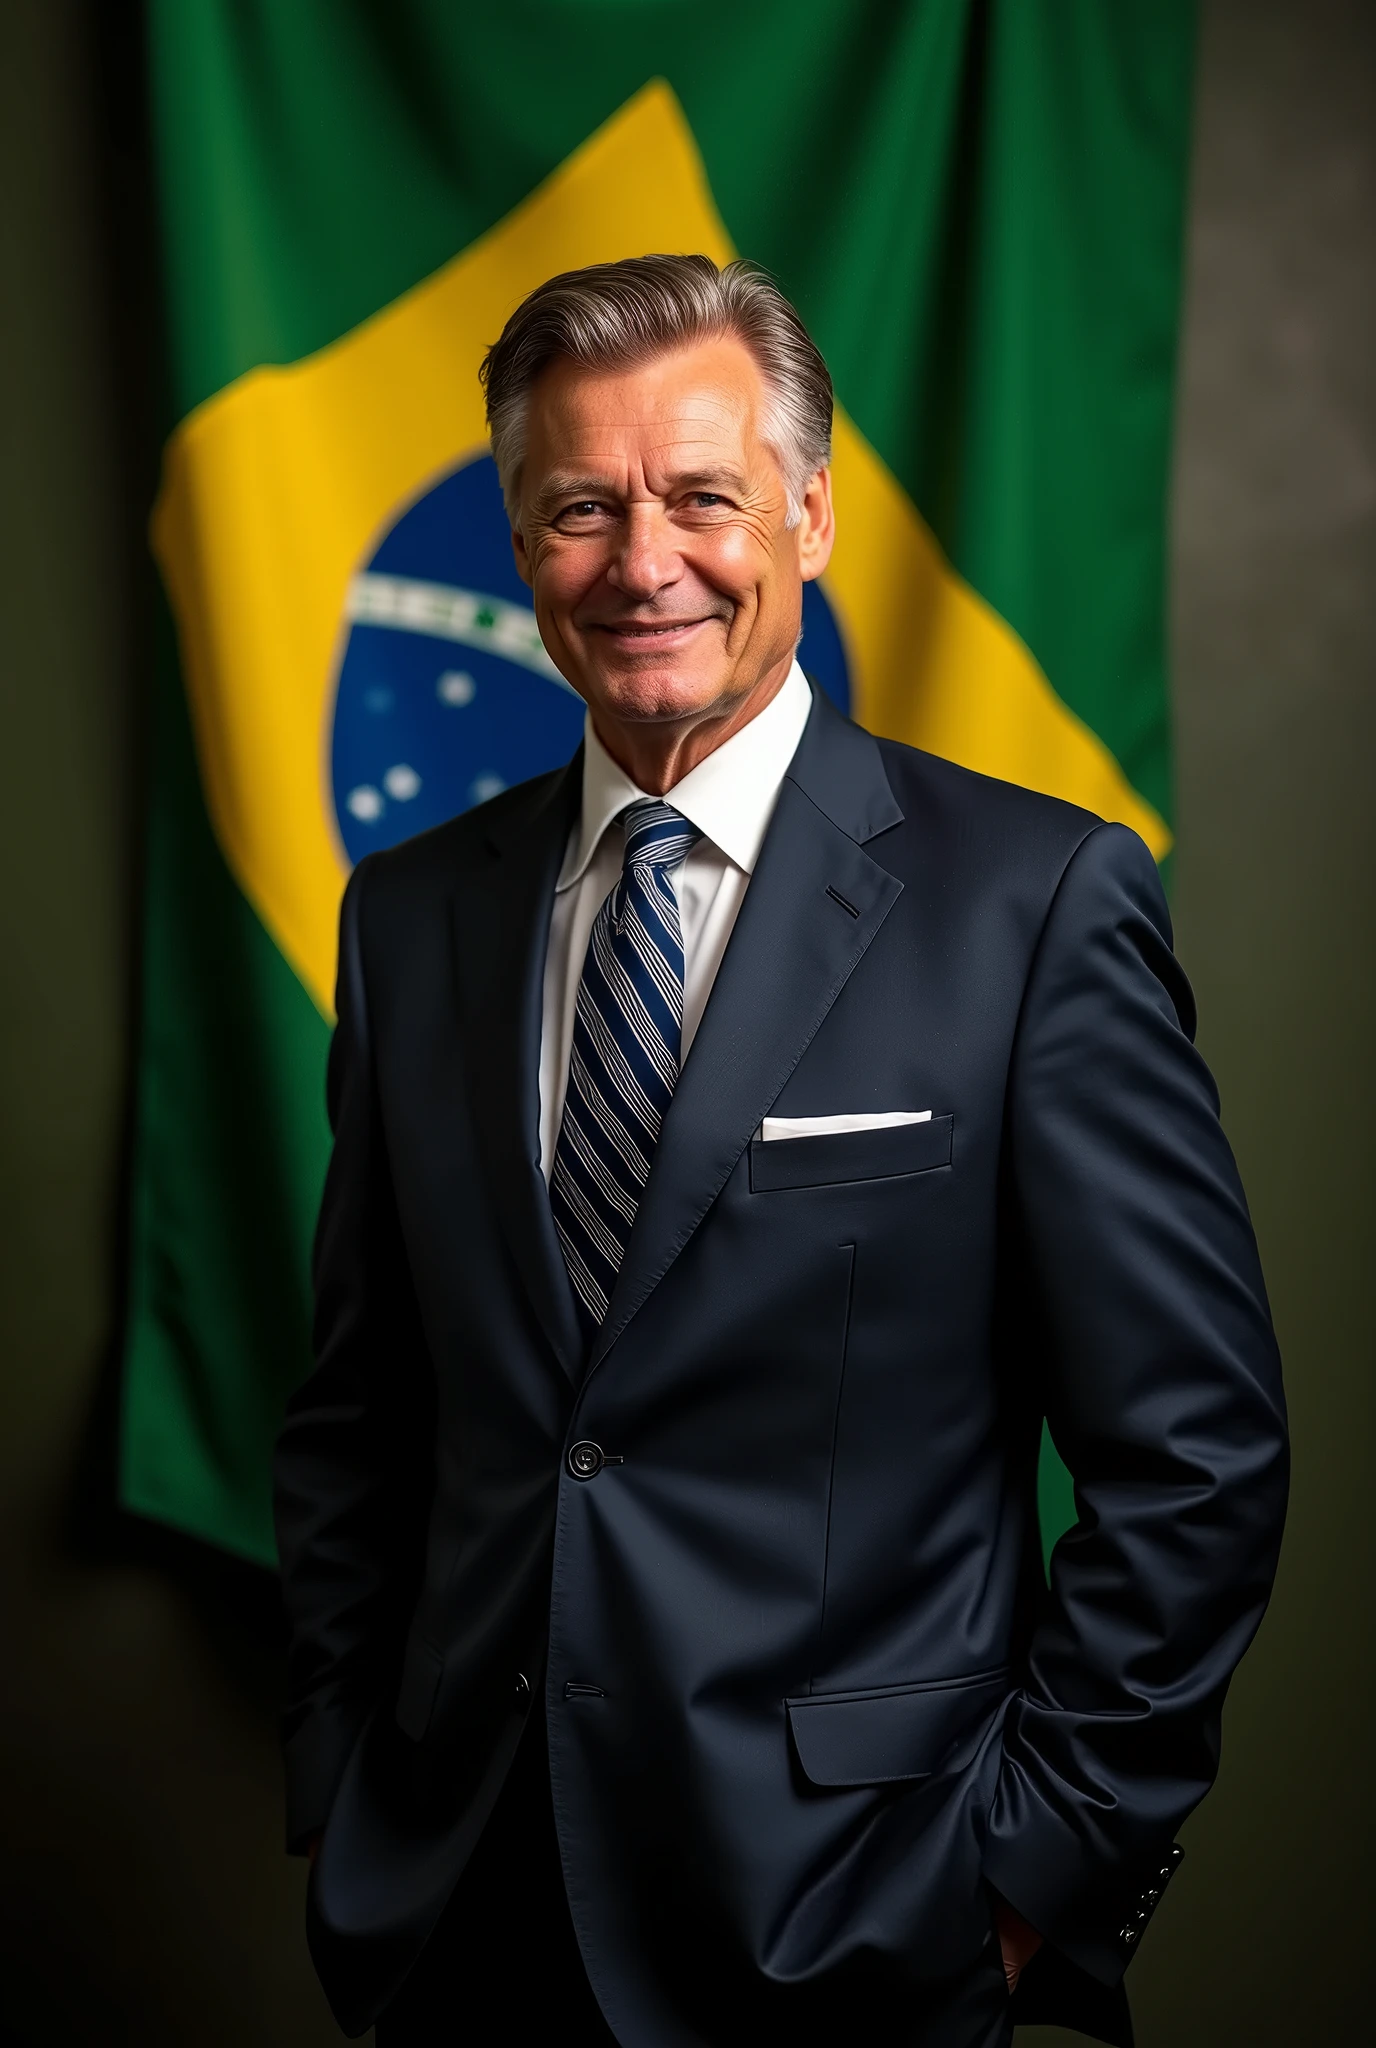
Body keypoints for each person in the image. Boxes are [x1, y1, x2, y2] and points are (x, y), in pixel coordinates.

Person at [274, 255, 1287, 2048]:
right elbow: (363, 1421)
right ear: (521, 544)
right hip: (462, 1919)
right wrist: (345, 1800)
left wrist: (1028, 1890)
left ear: (810, 516)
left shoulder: (1036, 905)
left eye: (701, 498)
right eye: (581, 507)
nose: (642, 560)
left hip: (873, 1927)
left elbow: (1196, 1458)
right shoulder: (410, 919)